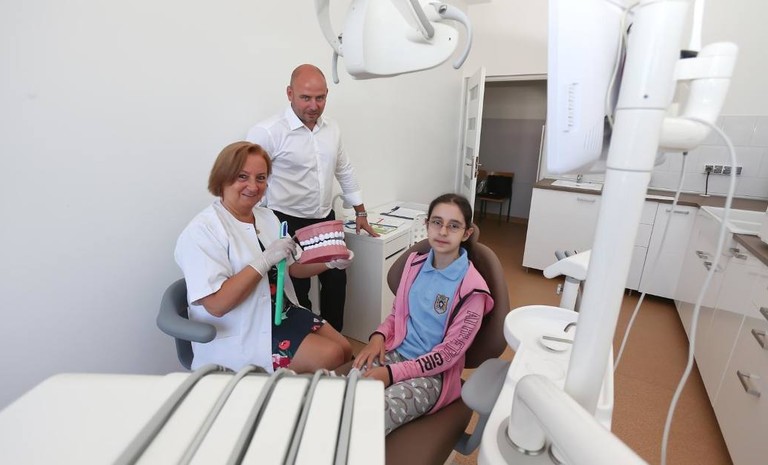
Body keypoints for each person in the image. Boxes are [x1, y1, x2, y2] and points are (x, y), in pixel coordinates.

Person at [174, 141, 353, 373]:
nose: (253, 186)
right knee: (331, 355)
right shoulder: (202, 231)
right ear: (222, 177)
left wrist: (330, 262)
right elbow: (217, 305)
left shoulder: (267, 217)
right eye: (242, 176)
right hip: (240, 328)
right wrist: (264, 260)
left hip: (281, 311)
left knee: (345, 348)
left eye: (261, 178)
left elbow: (294, 267)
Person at [246, 64, 378, 332]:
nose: (314, 106)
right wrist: (253, 229)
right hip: (286, 221)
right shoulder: (267, 132)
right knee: (297, 289)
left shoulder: (333, 128)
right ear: (289, 93)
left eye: (320, 98)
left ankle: (336, 339)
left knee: (336, 282)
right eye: (305, 97)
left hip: (325, 219)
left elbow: (344, 169)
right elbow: (251, 181)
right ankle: (306, 341)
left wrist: (361, 212)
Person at [352, 193, 494, 435]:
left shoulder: (473, 290)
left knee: (372, 414)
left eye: (454, 226)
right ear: (427, 225)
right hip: (395, 352)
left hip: (433, 374)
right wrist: (378, 336)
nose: (443, 231)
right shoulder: (415, 263)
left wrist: (391, 374)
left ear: (466, 233)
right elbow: (398, 314)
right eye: (437, 222)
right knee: (349, 388)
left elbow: (447, 355)